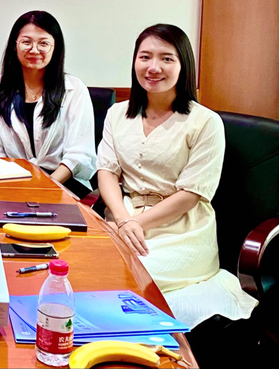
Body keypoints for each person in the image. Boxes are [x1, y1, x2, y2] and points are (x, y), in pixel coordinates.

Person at [97, 23, 257, 328]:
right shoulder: (117, 114)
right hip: (125, 217)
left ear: (184, 66)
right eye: (145, 57)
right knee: (85, 267)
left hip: (182, 230)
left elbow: (191, 195)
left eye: (166, 58)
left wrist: (135, 224)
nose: (153, 67)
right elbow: (106, 171)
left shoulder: (205, 122)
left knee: (127, 277)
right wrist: (122, 219)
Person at [0, 10, 96, 196]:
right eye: (26, 42)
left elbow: (80, 152)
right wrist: (12, 185)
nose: (34, 50)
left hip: (63, 183)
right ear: (14, 45)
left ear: (55, 47)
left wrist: (44, 186)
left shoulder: (74, 89)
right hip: (11, 182)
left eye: (43, 43)